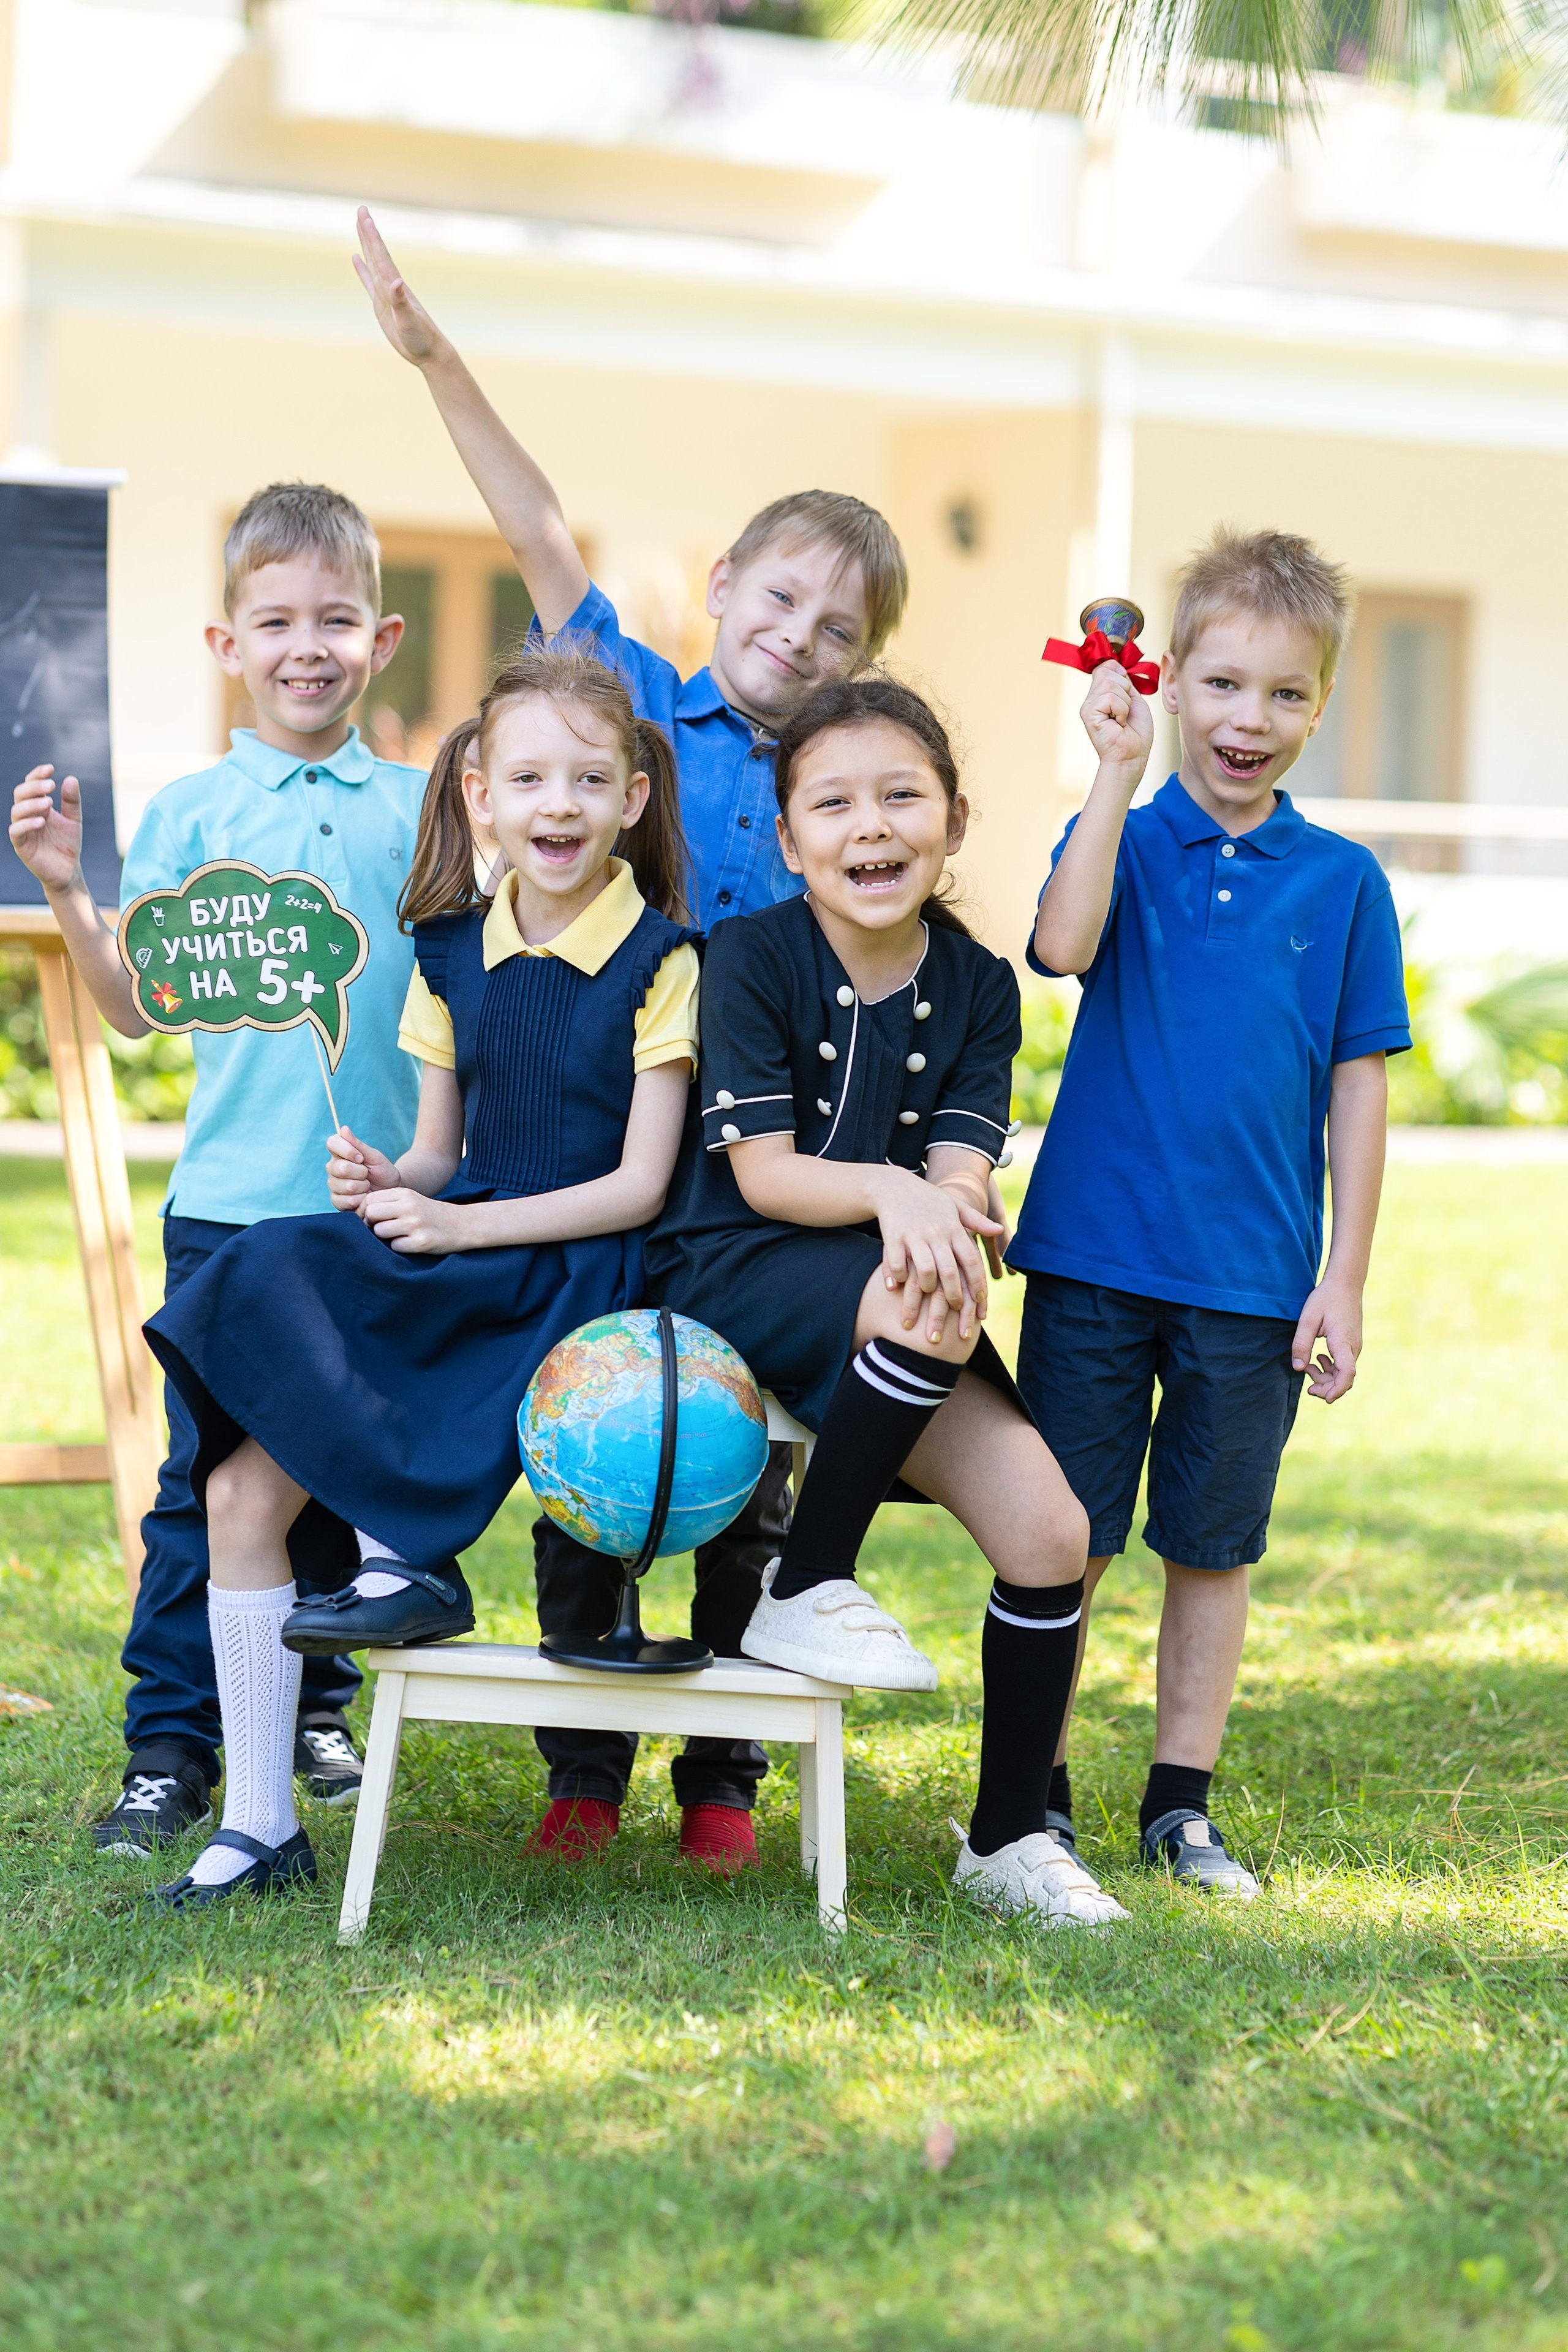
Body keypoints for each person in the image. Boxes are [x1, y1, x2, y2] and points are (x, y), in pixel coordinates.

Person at [351, 206, 914, 1868]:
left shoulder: (837, 780)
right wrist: (437, 357)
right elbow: (528, 521)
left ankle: (722, 1782)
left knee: (737, 1452)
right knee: (584, 1425)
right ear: (728, 584)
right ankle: (583, 1760)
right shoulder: (632, 705)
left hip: (743, 1162)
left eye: (837, 639)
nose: (798, 645)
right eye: (784, 603)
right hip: (591, 1128)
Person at [140, 642, 699, 1906]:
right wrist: (390, 1183)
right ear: (479, 796)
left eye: (586, 780)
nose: (556, 805)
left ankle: (410, 1559)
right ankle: (261, 1824)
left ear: (631, 799)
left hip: (572, 1270)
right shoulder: (446, 951)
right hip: (468, 1239)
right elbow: (441, 1157)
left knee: (376, 1328)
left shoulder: (664, 962)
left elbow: (638, 1190)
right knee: (242, 1464)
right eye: (529, 778)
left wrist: (455, 1233)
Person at [647, 673, 1129, 1929]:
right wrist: (901, 1198)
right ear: (789, 836)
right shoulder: (745, 955)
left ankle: (1007, 1838)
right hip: (740, 1263)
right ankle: (804, 1585)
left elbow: (961, 1169)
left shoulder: (975, 984)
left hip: (906, 1295)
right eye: (834, 804)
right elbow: (761, 1174)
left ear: (954, 821)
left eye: (901, 797)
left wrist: (950, 1207)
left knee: (1049, 1533)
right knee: (924, 1297)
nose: (871, 827)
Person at [8, 483, 423, 1856]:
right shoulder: (190, 813)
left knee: (335, 1478)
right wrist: (71, 892)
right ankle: (172, 1743)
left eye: (336, 620)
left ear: (384, 639)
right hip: (229, 1215)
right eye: (275, 621)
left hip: (370, 1211)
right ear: (224, 643)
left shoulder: (426, 815)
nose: (306, 645)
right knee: (202, 1485)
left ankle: (309, 1707)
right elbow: (132, 1010)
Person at [1007, 527, 1411, 1898]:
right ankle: (1029, 1797)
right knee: (1064, 1537)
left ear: (1320, 704)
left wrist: (1341, 1276)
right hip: (1092, 1256)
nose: (1250, 721)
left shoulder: (1342, 884)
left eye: (1285, 695)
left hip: (1252, 1277)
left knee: (1210, 1544)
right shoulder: (1119, 827)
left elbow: (1356, 1090)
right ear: (1169, 679)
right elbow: (1059, 946)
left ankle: (1177, 1804)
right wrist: (1113, 774)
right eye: (1224, 686)